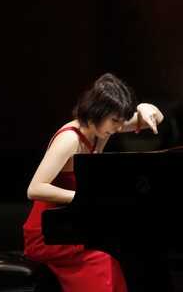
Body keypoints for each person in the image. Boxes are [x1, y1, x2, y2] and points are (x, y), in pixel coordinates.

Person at [22, 73, 164, 292]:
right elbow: (35, 189)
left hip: (73, 226)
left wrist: (145, 106)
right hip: (48, 233)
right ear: (98, 112)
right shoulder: (70, 139)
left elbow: (157, 118)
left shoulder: (101, 130)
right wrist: (83, 200)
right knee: (104, 260)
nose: (118, 128)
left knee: (131, 250)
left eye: (120, 121)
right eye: (115, 121)